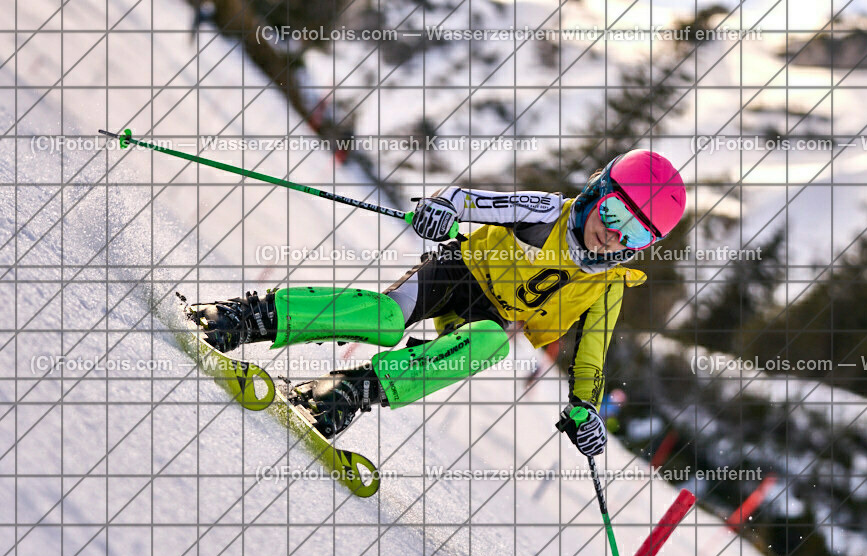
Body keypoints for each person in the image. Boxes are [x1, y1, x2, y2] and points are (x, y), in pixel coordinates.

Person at [187, 149, 686, 456]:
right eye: (615, 212)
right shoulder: (544, 213)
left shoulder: (609, 284)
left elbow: (592, 356)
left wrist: (586, 410)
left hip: (487, 316)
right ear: (597, 191)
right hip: (457, 274)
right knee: (385, 320)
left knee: (490, 343)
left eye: (636, 233)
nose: (613, 235)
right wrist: (442, 209)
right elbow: (471, 201)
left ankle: (341, 394)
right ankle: (242, 317)